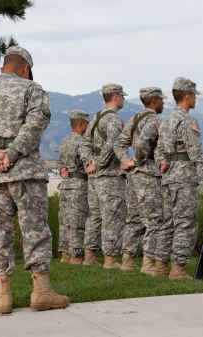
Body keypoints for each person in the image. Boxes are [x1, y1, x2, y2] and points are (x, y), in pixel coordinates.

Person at [0, 46, 69, 313]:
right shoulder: (32, 89)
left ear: (4, 66)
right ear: (25, 68)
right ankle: (42, 292)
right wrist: (12, 154)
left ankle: (3, 296)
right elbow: (36, 124)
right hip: (25, 171)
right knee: (34, 229)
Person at [155, 77, 203, 280]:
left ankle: (160, 267)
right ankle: (178, 269)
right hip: (183, 177)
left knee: (167, 223)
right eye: (194, 95)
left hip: (167, 177)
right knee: (185, 223)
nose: (196, 99)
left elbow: (158, 150)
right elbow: (196, 152)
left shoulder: (166, 121)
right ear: (187, 96)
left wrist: (163, 162)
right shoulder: (187, 121)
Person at [114, 87, 165, 276]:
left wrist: (126, 161)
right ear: (153, 101)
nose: (163, 103)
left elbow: (119, 143)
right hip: (148, 174)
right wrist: (140, 159)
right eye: (161, 100)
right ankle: (148, 263)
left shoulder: (135, 119)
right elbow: (143, 144)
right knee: (154, 220)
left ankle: (127, 260)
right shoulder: (153, 120)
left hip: (133, 176)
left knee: (134, 219)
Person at [80, 84, 127, 269]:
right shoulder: (114, 119)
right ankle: (110, 259)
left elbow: (84, 144)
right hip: (109, 175)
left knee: (95, 217)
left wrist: (89, 163)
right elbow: (112, 144)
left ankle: (89, 256)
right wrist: (98, 164)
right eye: (122, 96)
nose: (123, 99)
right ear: (115, 97)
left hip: (94, 177)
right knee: (112, 217)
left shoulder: (94, 119)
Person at [58, 110, 90, 265]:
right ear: (82, 124)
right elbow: (87, 163)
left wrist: (63, 170)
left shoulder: (65, 141)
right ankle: (76, 257)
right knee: (78, 222)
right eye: (88, 123)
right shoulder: (82, 142)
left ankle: (65, 254)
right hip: (79, 185)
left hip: (65, 186)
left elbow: (60, 165)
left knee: (65, 222)